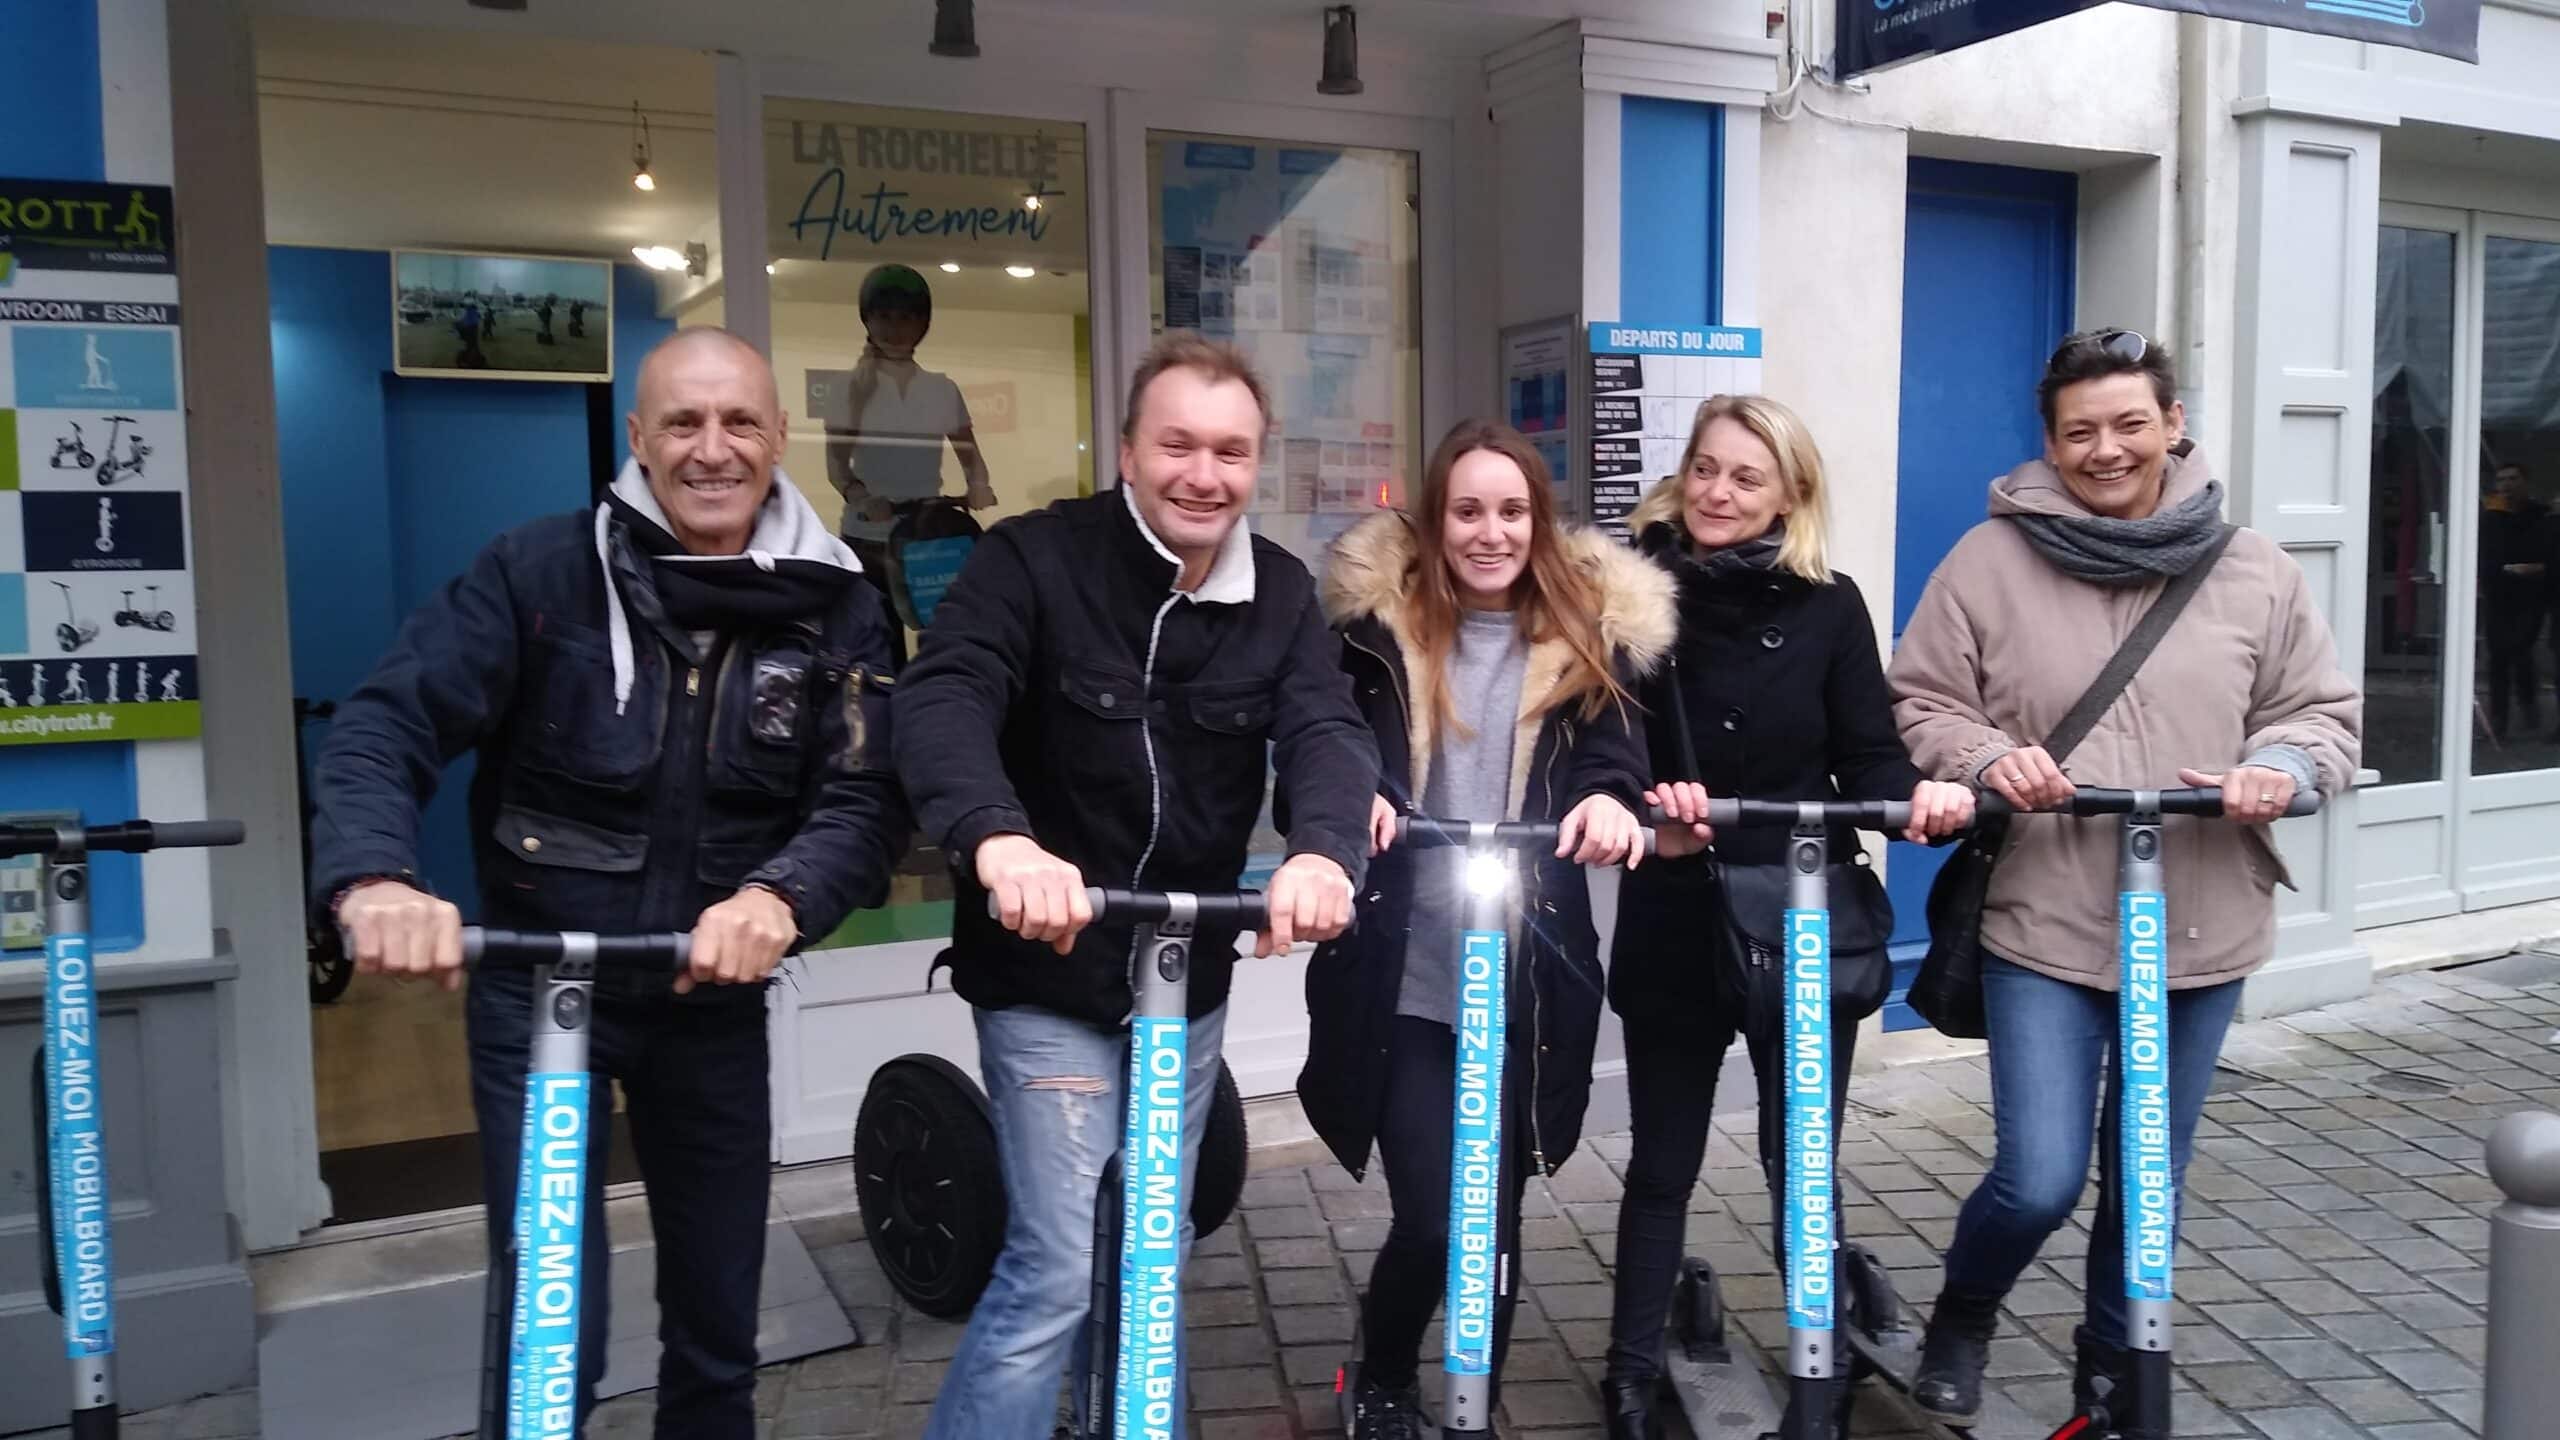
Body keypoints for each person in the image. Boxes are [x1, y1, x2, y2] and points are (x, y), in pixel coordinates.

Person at [308, 327, 909, 1439]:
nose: (712, 450)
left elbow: (867, 796)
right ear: (638, 437)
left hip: (709, 1004)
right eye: (683, 422)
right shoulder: (537, 573)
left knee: (721, 1330)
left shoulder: (841, 606)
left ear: (779, 439)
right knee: (549, 1335)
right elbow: (385, 725)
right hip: (545, 1000)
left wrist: (778, 896)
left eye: (739, 423)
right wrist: (373, 878)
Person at [894, 332, 1379, 1440]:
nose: (1202, 474)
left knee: (1147, 1255)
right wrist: (997, 840)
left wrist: (1321, 852)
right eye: (1176, 445)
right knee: (1061, 1262)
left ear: (1256, 464)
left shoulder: (1282, 593)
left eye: (1229, 451)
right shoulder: (1033, 560)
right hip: (1047, 975)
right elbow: (944, 696)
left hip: (1183, 979)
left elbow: (1326, 731)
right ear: (1126, 450)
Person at [1888, 329, 2360, 1422]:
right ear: (2050, 444)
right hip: (2045, 919)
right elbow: (1920, 700)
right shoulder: (1986, 562)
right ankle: (1966, 1305)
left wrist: (2276, 770)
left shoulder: (2252, 568)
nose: (2106, 449)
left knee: (2147, 1177)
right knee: (2041, 1174)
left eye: (2128, 423)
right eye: (2079, 431)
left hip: (2198, 923)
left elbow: (2319, 715)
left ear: (2173, 423)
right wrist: (1979, 756)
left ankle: (2111, 1377)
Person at [1598, 395, 1975, 1440]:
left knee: (1799, 1150)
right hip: (1678, 908)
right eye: (1706, 469)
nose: (1719, 493)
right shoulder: (1632, 594)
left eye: (1745, 477)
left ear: (1790, 495)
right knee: (1663, 1159)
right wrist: (1639, 808)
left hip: (1803, 916)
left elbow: (1870, 750)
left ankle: (1817, 1357)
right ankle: (1630, 1370)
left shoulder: (1827, 604)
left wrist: (1917, 799)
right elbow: (1602, 751)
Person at [1296, 421, 1666, 1439]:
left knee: (1492, 1226)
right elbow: (1329, 740)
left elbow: (1613, 757)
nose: (1489, 532)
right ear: (1435, 518)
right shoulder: (1380, 632)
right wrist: (1355, 796)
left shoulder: (1587, 633)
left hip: (1526, 982)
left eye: (1511, 511)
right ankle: (1378, 1370)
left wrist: (1609, 803)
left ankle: (1471, 1397)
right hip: (1407, 978)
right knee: (1430, 1216)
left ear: (1537, 522)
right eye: (1467, 510)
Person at [823, 263, 994, 656]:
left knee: (945, 636)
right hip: (870, 538)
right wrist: (861, 498)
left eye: (906, 317)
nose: (894, 328)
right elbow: (836, 465)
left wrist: (978, 485)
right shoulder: (848, 387)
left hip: (927, 533)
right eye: (884, 317)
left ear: (923, 324)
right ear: (868, 320)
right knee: (878, 645)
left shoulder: (941, 389)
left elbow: (969, 452)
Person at [2480, 460, 2549, 741]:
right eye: (2502, 480)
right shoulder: (2492, 516)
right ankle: (2499, 720)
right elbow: (2486, 553)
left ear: (2524, 482)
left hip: (2531, 595)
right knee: (2497, 657)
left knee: (2520, 650)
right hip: (2498, 593)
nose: (2506, 486)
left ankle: (2528, 701)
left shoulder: (2539, 515)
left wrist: (2538, 568)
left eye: (2512, 479)